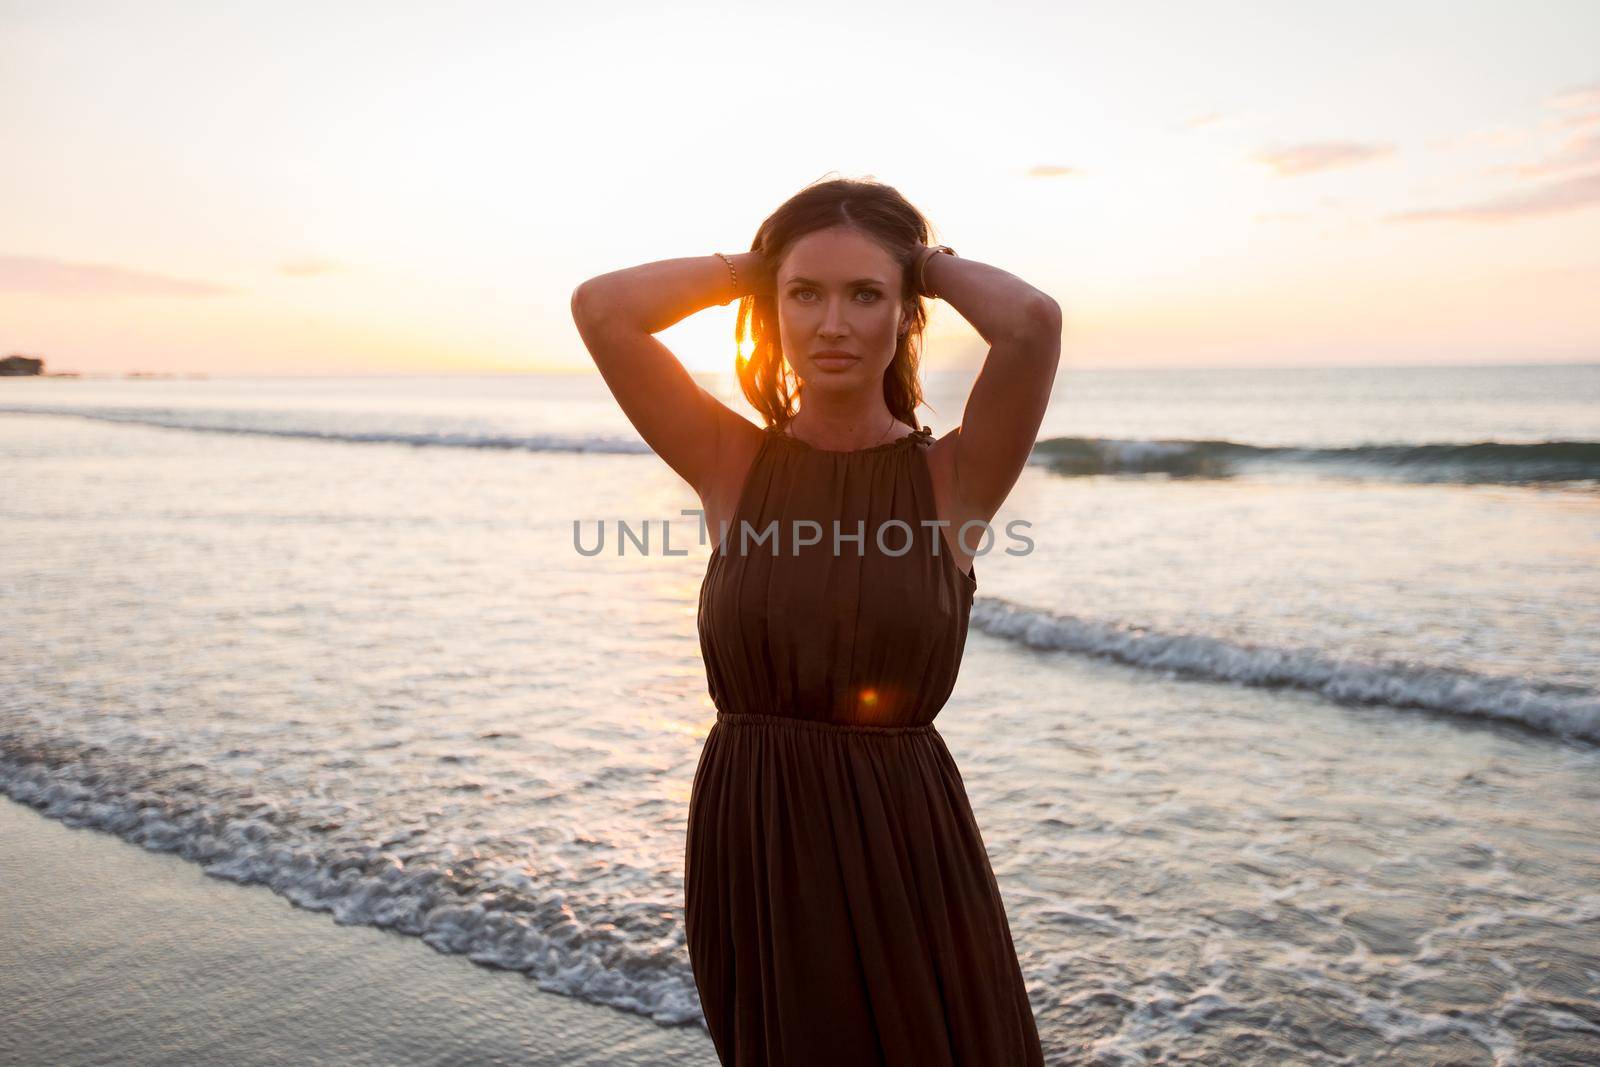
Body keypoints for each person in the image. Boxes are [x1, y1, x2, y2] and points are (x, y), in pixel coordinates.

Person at [570, 175, 1060, 1065]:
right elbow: (604, 310)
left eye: (865, 295)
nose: (832, 323)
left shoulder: (956, 481)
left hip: (905, 844)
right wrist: (756, 265)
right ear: (774, 308)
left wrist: (925, 265)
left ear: (904, 315)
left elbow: (1030, 322)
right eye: (806, 294)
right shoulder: (730, 460)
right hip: (756, 838)